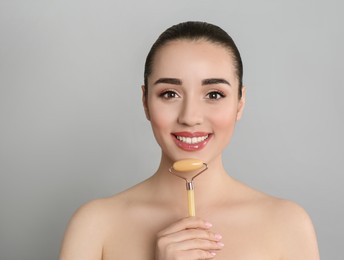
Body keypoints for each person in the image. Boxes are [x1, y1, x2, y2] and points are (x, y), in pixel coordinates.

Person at [59, 21, 320, 259]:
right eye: (170, 94)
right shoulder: (96, 225)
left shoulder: (287, 224)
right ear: (145, 102)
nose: (190, 117)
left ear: (240, 102)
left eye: (214, 95)